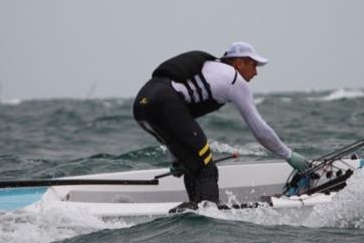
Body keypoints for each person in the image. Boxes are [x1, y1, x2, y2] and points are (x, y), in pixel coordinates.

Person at [133, 41, 310, 209]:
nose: (256, 73)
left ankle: (194, 213)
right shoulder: (233, 78)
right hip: (164, 104)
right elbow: (259, 129)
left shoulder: (212, 70)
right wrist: (288, 155)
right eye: (253, 65)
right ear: (239, 62)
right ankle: (207, 219)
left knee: (193, 164)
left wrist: (176, 159)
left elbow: (172, 129)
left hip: (142, 106)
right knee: (206, 169)